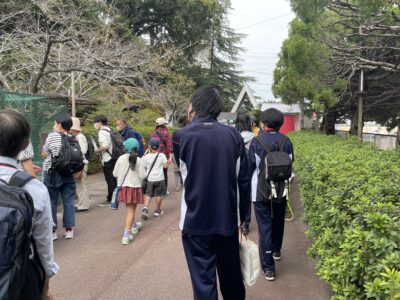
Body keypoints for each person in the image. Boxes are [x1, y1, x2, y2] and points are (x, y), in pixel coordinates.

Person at [173, 86, 250, 300]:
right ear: (217, 108)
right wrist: (244, 217)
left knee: (203, 283)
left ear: (194, 105)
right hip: (227, 220)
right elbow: (243, 179)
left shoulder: (180, 136)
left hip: (194, 221)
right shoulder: (233, 135)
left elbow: (181, 167)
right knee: (232, 278)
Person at [0, 109, 58, 299]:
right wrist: (45, 285)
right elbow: (43, 245)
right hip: (20, 278)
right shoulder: (35, 189)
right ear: (26, 143)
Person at [248, 108, 294, 281]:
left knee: (265, 227)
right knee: (278, 222)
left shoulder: (256, 142)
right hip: (281, 190)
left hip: (260, 192)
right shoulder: (287, 141)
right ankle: (276, 250)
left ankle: (269, 268)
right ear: (280, 123)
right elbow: (290, 164)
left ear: (263, 123)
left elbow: (250, 167)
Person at [42, 113, 76, 240]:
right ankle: (69, 230)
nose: (54, 125)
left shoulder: (52, 136)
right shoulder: (73, 138)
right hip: (68, 173)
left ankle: (53, 231)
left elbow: (44, 153)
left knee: (51, 201)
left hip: (53, 174)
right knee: (68, 201)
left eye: (55, 123)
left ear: (59, 124)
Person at [113, 138, 145, 245]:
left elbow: (114, 174)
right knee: (131, 210)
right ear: (137, 148)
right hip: (134, 187)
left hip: (123, 188)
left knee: (129, 209)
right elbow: (142, 176)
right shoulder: (139, 160)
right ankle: (126, 235)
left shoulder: (121, 158)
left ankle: (134, 225)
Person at [235, 113, 255, 235]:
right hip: (249, 170)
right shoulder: (255, 137)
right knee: (246, 197)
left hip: (235, 168)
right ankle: (245, 223)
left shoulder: (233, 137)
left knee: (234, 194)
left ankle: (235, 220)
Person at [141, 137, 168, 220]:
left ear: (150, 146)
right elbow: (165, 166)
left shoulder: (146, 157)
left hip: (150, 179)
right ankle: (157, 210)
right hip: (160, 178)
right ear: (159, 146)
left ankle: (145, 208)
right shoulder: (162, 155)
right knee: (159, 195)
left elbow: (143, 166)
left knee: (149, 194)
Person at [93, 115, 117, 207]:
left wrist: (97, 150)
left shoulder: (102, 132)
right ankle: (116, 197)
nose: (94, 124)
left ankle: (111, 198)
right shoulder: (109, 129)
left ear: (99, 122)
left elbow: (105, 145)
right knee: (113, 178)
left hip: (107, 158)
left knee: (109, 179)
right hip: (114, 157)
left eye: (95, 122)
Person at [70, 117, 90, 212]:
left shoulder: (80, 137)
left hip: (81, 163)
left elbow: (83, 150)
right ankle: (81, 203)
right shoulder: (77, 136)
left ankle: (84, 205)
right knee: (79, 184)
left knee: (81, 184)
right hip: (79, 163)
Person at [149, 117, 172, 194]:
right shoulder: (167, 133)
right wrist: (170, 157)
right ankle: (164, 191)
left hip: (153, 155)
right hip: (163, 156)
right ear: (164, 124)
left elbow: (150, 145)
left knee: (155, 171)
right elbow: (169, 146)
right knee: (164, 173)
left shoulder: (152, 133)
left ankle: (155, 190)